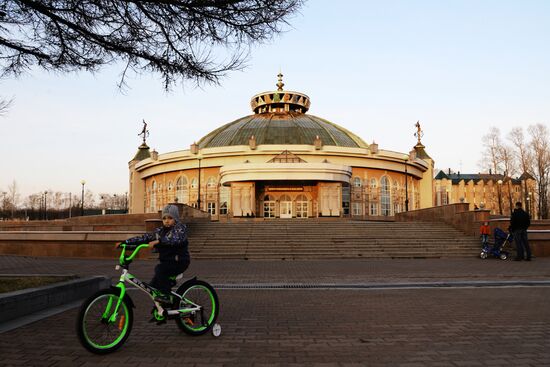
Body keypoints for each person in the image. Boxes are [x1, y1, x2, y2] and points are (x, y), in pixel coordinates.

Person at [123, 204, 190, 302]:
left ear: (175, 218)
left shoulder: (180, 228)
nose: (167, 221)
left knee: (160, 269)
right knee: (153, 288)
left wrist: (159, 241)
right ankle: (161, 310)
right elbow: (145, 238)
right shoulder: (160, 231)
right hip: (167, 262)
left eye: (170, 218)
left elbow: (174, 239)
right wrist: (126, 242)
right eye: (164, 218)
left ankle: (166, 296)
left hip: (179, 261)